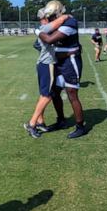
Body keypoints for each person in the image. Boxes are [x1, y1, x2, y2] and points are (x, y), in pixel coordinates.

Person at [37, 0, 87, 139]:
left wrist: (38, 31)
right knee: (54, 92)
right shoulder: (57, 21)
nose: (50, 19)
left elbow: (50, 39)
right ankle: (61, 120)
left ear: (58, 13)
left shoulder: (70, 22)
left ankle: (80, 126)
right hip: (58, 60)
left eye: (52, 16)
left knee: (71, 93)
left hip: (70, 62)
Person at [24, 9, 72, 138]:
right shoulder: (45, 28)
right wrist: (65, 16)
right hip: (47, 65)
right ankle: (32, 123)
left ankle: (40, 122)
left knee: (44, 95)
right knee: (47, 96)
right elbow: (60, 21)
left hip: (43, 65)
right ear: (46, 17)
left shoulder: (43, 28)